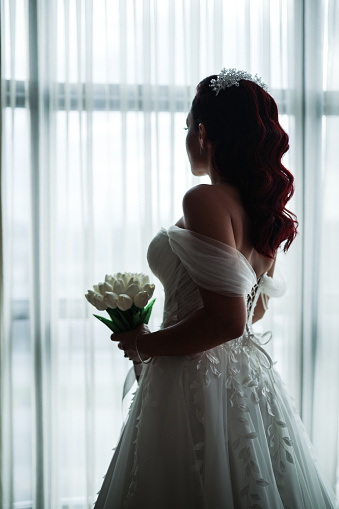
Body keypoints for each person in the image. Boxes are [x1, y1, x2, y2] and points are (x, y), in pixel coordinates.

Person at [94, 69, 336, 509]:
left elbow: (228, 319)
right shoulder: (263, 209)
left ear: (204, 133)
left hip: (191, 378)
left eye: (188, 127)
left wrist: (144, 342)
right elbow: (253, 309)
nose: (187, 136)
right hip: (244, 379)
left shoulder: (203, 200)